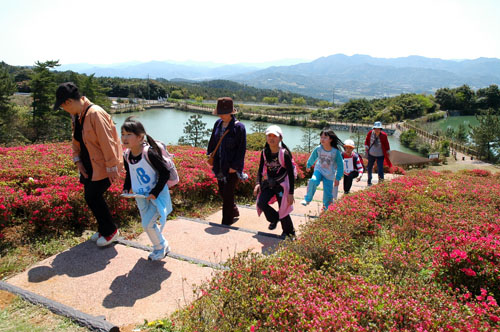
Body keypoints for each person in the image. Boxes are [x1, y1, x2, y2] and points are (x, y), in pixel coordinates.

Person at [53, 82, 123, 247]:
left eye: (62, 106)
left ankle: (111, 231)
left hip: (103, 167)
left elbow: (108, 142)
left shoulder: (95, 113)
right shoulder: (77, 116)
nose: (64, 109)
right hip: (90, 166)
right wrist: (77, 161)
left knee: (93, 196)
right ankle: (103, 228)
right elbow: (76, 141)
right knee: (91, 197)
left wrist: (113, 166)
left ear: (68, 102)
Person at [121, 117, 172, 261]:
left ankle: (160, 248)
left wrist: (155, 192)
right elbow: (129, 173)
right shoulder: (127, 155)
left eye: (128, 134)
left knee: (147, 224)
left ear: (139, 137)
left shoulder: (148, 153)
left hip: (156, 196)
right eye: (123, 134)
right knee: (149, 224)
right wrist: (126, 188)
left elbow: (165, 173)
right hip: (140, 195)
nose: (124, 138)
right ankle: (162, 245)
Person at [207, 97, 246, 225]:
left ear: (231, 112)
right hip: (219, 165)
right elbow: (213, 141)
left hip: (231, 167)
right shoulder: (218, 124)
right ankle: (234, 210)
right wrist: (209, 154)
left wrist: (235, 166)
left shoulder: (239, 127)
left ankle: (226, 222)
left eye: (224, 113)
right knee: (223, 192)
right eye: (220, 113)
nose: (221, 115)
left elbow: (241, 149)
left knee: (228, 195)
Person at [254, 125, 296, 238]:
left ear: (280, 138)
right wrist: (258, 183)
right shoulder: (264, 152)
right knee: (261, 202)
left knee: (283, 208)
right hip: (270, 184)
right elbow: (260, 168)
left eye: (274, 136)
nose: (271, 138)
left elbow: (291, 175)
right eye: (269, 136)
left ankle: (289, 232)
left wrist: (291, 193)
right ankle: (274, 218)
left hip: (282, 185)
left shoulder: (284, 153)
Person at [301, 128, 344, 210]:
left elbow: (340, 165)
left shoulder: (335, 152)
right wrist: (308, 165)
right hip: (319, 170)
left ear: (330, 139)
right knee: (313, 181)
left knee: (328, 193)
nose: (322, 139)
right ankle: (307, 199)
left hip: (329, 174)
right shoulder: (318, 148)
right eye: (321, 137)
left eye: (325, 137)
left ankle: (326, 208)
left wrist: (338, 178)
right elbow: (312, 157)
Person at [364, 121, 391, 186]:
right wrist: (366, 146)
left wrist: (388, 152)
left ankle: (381, 182)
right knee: (369, 167)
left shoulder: (384, 135)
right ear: (373, 128)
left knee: (380, 168)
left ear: (380, 129)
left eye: (378, 129)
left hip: (380, 155)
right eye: (376, 128)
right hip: (371, 154)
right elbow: (367, 140)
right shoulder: (370, 133)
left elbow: (386, 144)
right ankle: (369, 181)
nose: (377, 130)